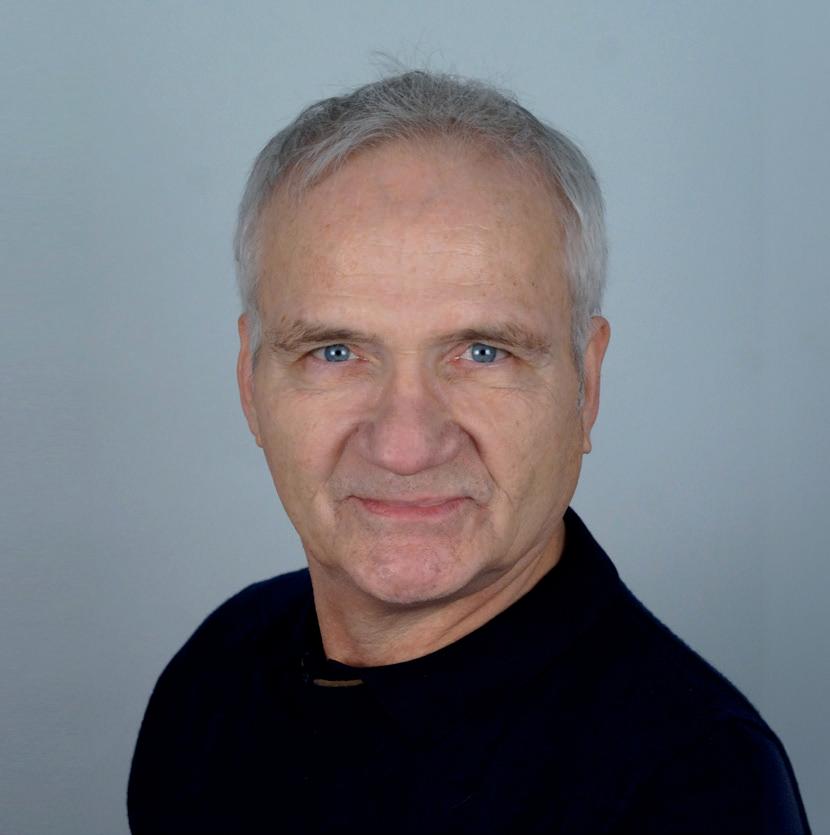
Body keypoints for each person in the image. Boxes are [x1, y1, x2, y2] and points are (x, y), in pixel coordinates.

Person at [127, 70, 812, 834]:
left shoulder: (694, 789)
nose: (405, 444)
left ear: (586, 384)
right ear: (250, 382)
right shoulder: (216, 677)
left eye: (484, 351)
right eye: (335, 351)